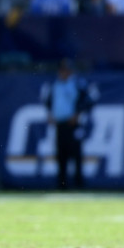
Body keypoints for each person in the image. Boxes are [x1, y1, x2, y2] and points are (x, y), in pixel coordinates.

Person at [40, 59, 95, 190]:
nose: (64, 73)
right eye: (62, 70)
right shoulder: (54, 85)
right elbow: (48, 102)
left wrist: (77, 114)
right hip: (60, 124)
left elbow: (88, 101)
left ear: (70, 72)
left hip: (73, 124)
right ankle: (62, 184)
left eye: (66, 70)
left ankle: (79, 184)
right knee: (61, 155)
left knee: (76, 154)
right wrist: (50, 114)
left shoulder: (77, 84)